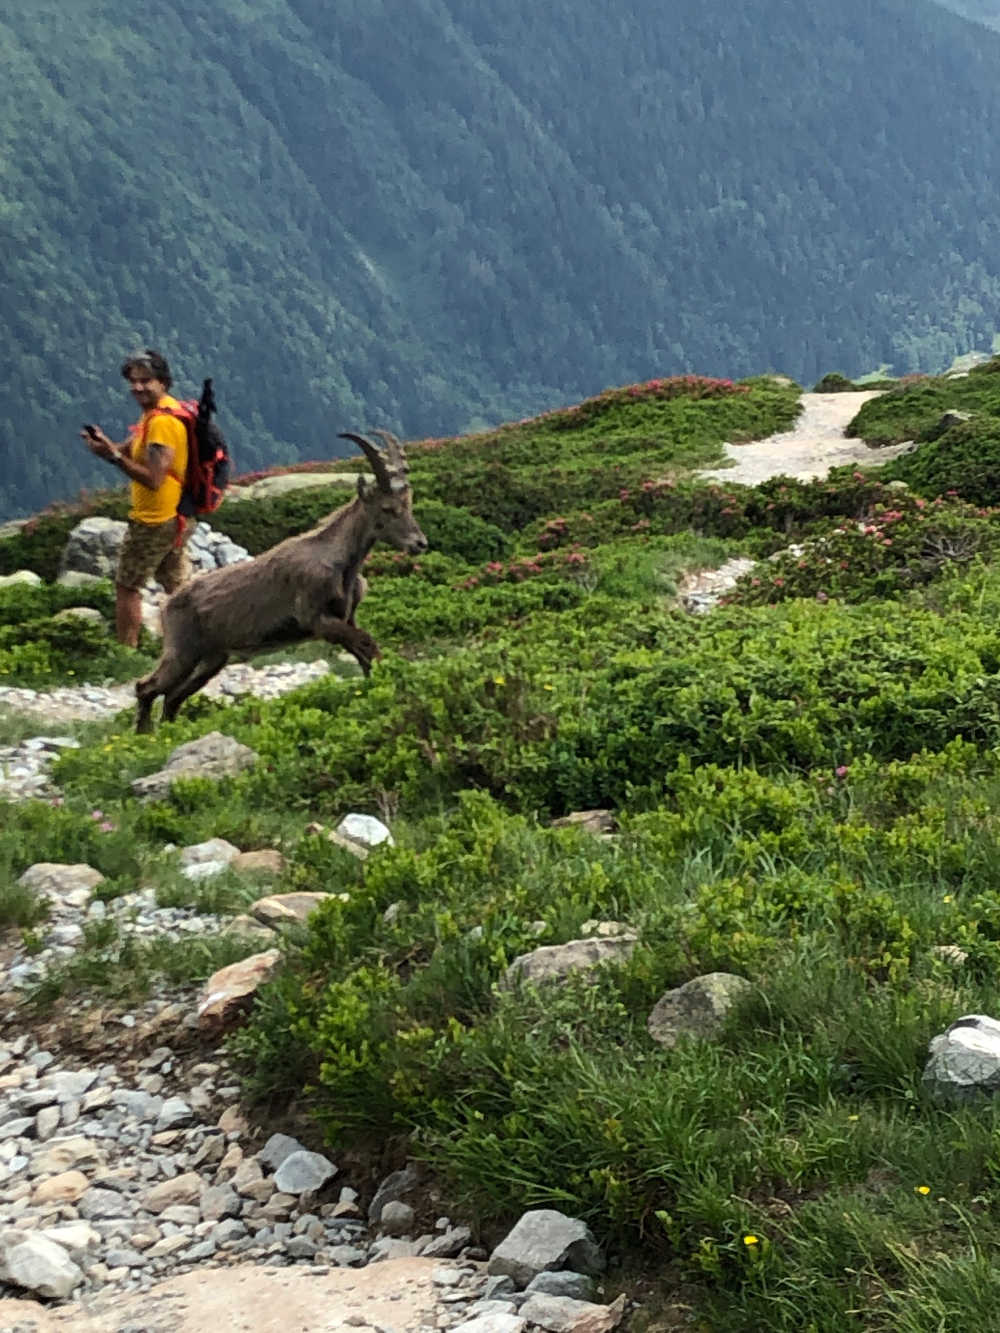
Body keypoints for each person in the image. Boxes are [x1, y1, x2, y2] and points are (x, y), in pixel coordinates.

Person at [83, 349, 191, 647]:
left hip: (156, 519)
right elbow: (129, 452)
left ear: (163, 382)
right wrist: (107, 449)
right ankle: (194, 644)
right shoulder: (156, 414)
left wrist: (114, 456)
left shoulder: (163, 423)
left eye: (146, 381)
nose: (138, 387)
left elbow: (154, 479)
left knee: (128, 586)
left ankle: (126, 653)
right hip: (176, 515)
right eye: (133, 381)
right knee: (177, 586)